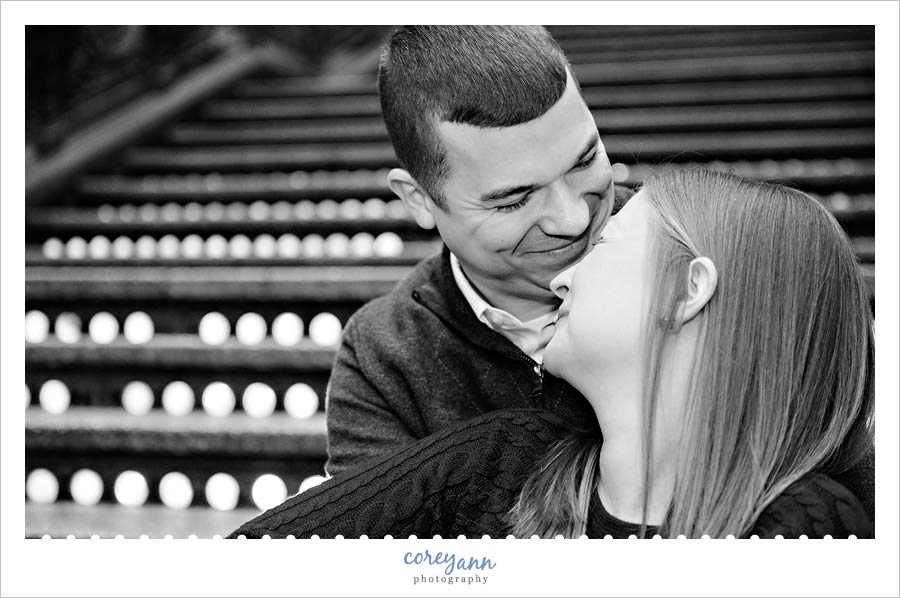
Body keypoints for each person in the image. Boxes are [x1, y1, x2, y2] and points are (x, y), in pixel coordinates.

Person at [231, 169, 874, 539]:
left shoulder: (809, 526)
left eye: (604, 246)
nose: (563, 274)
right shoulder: (500, 465)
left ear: (688, 291)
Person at [326, 25, 627, 477]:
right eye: (514, 200)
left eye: (584, 161)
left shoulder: (699, 244)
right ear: (419, 200)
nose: (574, 220)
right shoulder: (385, 357)